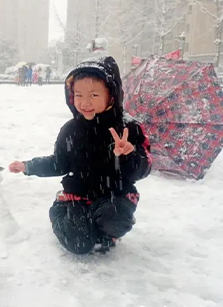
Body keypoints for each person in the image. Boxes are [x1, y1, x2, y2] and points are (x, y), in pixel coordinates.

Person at [9, 56, 151, 255]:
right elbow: (59, 163)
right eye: (78, 95)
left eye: (93, 95)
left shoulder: (129, 128)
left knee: (115, 220)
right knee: (78, 244)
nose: (85, 103)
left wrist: (129, 154)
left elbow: (144, 169)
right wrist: (29, 166)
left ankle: (104, 232)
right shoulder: (71, 130)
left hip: (114, 195)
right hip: (78, 195)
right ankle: (59, 211)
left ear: (111, 94)